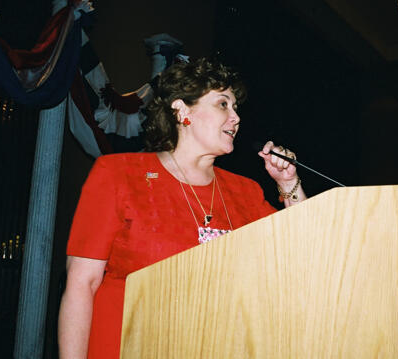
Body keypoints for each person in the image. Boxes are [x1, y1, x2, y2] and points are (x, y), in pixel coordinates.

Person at [58, 57, 306, 359]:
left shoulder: (245, 192)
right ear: (182, 109)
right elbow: (82, 283)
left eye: (236, 107)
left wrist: (288, 181)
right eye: (223, 104)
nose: (236, 117)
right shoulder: (118, 174)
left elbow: (299, 251)